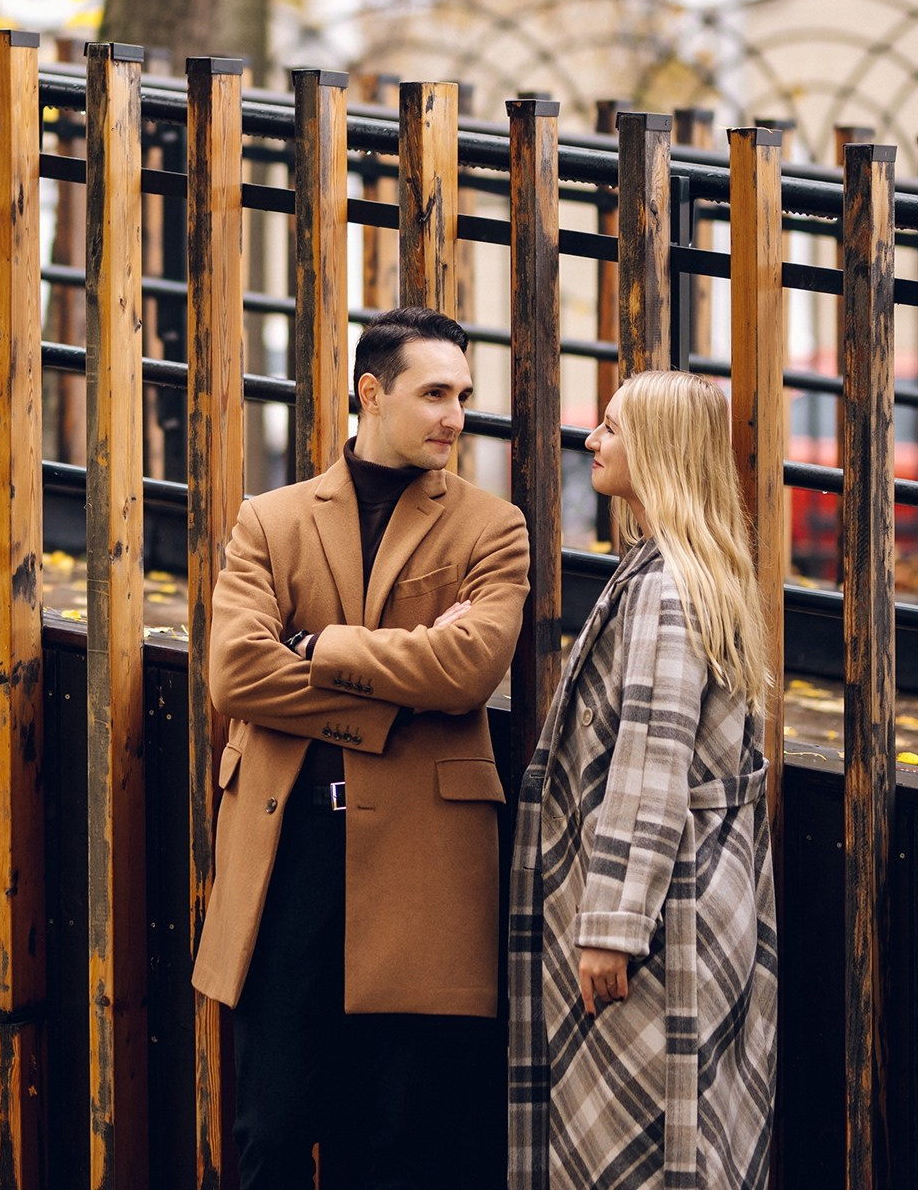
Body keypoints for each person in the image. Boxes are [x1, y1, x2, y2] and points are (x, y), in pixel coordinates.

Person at [194, 305, 532, 1188]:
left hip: (424, 871)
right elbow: (235, 677)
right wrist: (390, 699)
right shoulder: (270, 519)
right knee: (269, 1133)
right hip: (288, 859)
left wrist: (320, 647)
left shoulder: (494, 528)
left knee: (393, 1145)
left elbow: (465, 671)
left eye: (462, 393)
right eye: (434, 394)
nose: (455, 415)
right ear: (371, 394)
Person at [507, 370, 780, 1190]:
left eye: (612, 428)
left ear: (657, 449)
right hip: (698, 896)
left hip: (661, 922)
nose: (592, 440)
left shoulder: (664, 588)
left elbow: (650, 761)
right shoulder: (688, 569)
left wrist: (612, 927)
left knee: (649, 1148)